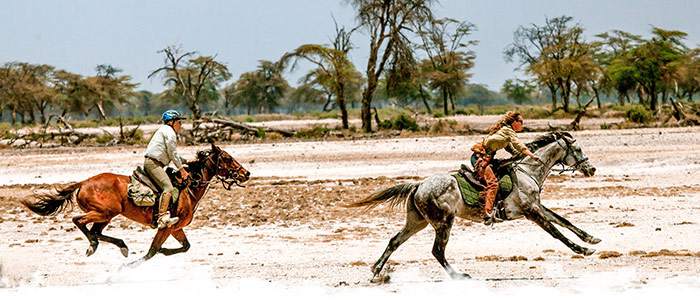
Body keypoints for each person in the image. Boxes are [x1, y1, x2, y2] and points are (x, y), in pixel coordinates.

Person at [470, 111, 541, 225]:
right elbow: (518, 144)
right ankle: (487, 214)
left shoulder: (505, 132)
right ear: (514, 122)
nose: (522, 124)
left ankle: (497, 208)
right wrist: (531, 155)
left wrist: (518, 156)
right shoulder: (508, 131)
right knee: (493, 184)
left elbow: (512, 148)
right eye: (521, 122)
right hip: (480, 159)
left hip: (488, 158)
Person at [144, 110, 190, 229]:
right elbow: (172, 152)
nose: (180, 123)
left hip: (154, 162)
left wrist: (185, 161)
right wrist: (182, 169)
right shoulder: (170, 132)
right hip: (154, 164)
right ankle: (162, 218)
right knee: (168, 188)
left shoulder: (164, 131)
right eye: (178, 121)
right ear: (171, 122)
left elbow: (171, 154)